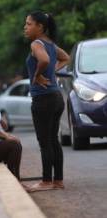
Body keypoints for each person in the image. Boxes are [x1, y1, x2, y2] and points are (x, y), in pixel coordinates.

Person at [24, 11, 70, 192]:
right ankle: (58, 180)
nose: (25, 27)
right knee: (53, 140)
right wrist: (51, 71)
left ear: (40, 27)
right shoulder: (50, 44)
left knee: (45, 142)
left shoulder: (36, 44)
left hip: (43, 100)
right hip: (56, 98)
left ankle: (45, 181)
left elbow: (43, 59)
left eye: (29, 24)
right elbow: (65, 57)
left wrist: (37, 76)